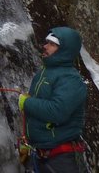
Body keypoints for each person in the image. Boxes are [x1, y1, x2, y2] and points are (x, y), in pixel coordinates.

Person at [18, 27, 89, 173]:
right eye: (47, 42)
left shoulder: (70, 79)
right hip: (40, 154)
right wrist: (28, 142)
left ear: (65, 49)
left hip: (62, 159)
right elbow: (35, 116)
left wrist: (26, 102)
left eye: (52, 44)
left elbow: (56, 111)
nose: (45, 46)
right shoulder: (43, 73)